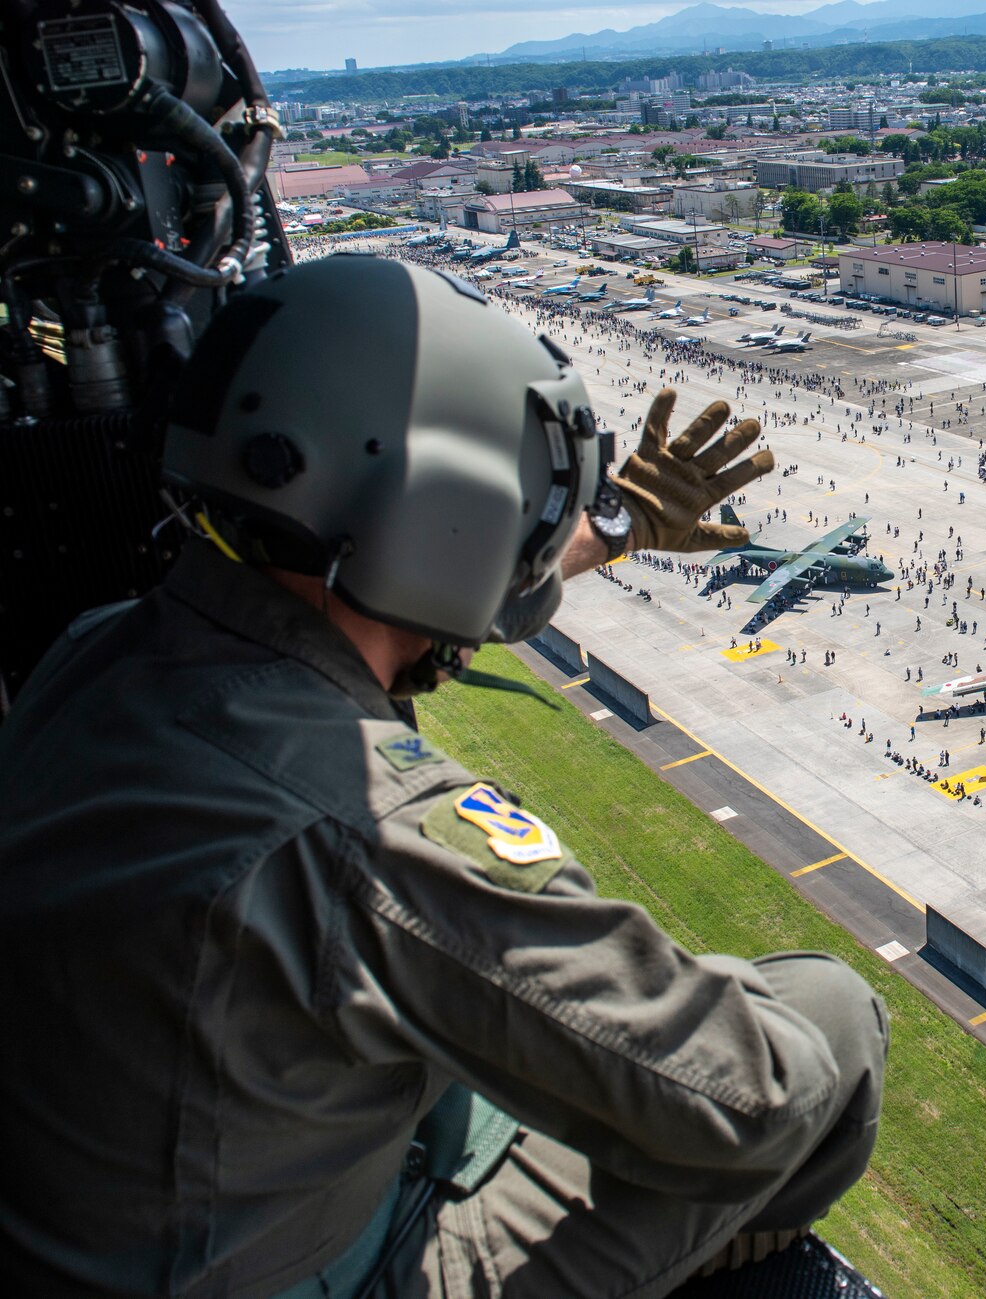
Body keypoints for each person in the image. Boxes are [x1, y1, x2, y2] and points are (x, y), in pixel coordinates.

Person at [0, 258, 887, 1297]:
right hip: (283, 1264)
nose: (522, 548)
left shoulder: (97, 649)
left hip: (111, 1213)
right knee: (826, 1016)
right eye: (518, 516)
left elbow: (376, 595)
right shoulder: (364, 828)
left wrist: (615, 527)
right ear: (444, 519)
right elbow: (752, 1098)